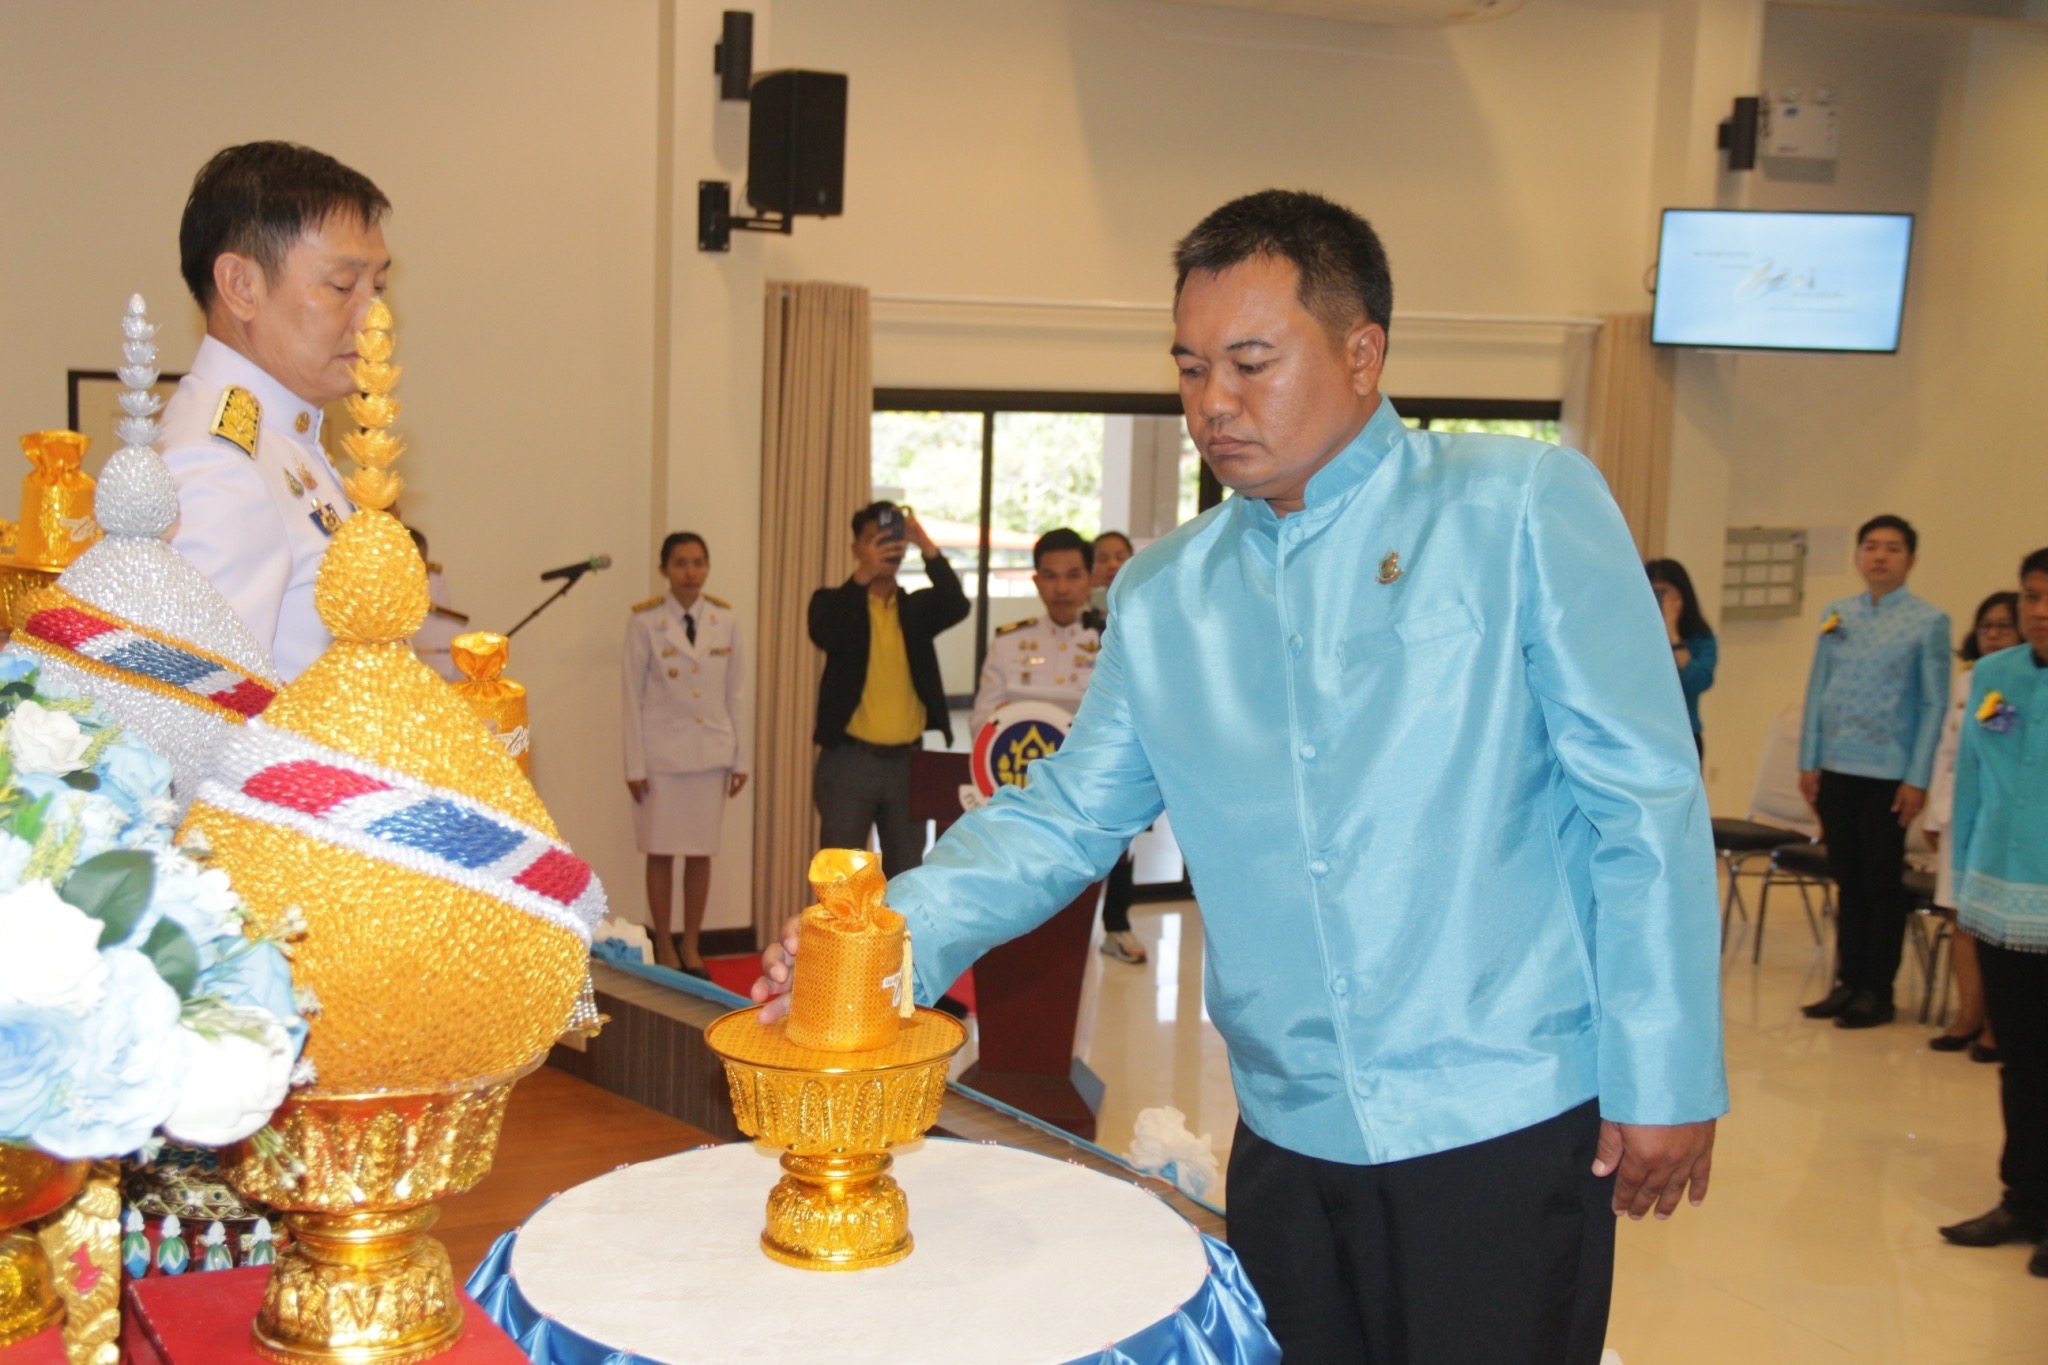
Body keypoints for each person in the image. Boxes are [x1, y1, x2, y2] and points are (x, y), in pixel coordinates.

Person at [761, 190, 1725, 1363]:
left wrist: (1664, 1068)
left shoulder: (1513, 506)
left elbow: (1641, 799)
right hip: (1285, 1127)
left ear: (1361, 353)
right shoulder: (1169, 592)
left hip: (1501, 1116)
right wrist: (881, 940)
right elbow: (1064, 815)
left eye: (1250, 363)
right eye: (1188, 367)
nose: (1211, 402)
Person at [159, 141, 389, 680]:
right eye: (342, 286)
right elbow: (206, 710)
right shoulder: (217, 467)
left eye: (379, 287)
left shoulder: (284, 439)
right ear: (241, 286)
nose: (375, 318)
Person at [1938, 548, 2048, 1280]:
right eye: (2032, 595)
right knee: (2022, 1062)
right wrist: (1965, 884)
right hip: (2001, 896)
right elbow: (1973, 779)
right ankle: (2023, 1200)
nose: (2040, 610)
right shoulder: (1995, 674)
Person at [1797, 515, 1952, 1029]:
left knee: (1880, 883)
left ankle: (1877, 991)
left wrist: (1917, 777)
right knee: (1847, 878)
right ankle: (1847, 982)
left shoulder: (1929, 622)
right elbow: (1818, 688)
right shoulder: (1837, 613)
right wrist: (1809, 760)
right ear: (1859, 556)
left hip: (1889, 772)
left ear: (1911, 559)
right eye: (1871, 546)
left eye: (1893, 548)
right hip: (1835, 766)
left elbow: (1933, 704)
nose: (1880, 556)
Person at [972, 529, 1145, 966]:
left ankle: (1116, 925)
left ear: (1091, 579)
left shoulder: (1113, 641)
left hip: (1094, 788)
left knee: (1113, 859)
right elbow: (983, 721)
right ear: (1036, 581)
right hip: (1024, 790)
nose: (1062, 588)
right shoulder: (1009, 643)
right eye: (1050, 576)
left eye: (1073, 576)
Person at [808, 502, 969, 876]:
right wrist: (863, 576)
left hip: (909, 764)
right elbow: (824, 631)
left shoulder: (916, 609)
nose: (886, 547)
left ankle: (899, 924)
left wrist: (925, 545)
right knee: (842, 879)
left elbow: (956, 604)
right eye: (874, 540)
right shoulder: (836, 603)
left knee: (907, 875)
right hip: (849, 762)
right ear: (856, 549)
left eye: (893, 539)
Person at [623, 532, 748, 977]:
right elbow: (631, 698)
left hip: (711, 754)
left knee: (700, 854)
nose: (690, 572)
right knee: (660, 853)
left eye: (698, 562)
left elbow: (736, 694)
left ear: (707, 567)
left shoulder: (724, 619)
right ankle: (664, 943)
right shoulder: (645, 622)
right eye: (680, 563)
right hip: (661, 759)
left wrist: (741, 759)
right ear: (664, 569)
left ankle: (692, 945)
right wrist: (634, 765)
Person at [1924, 591, 2021, 1057]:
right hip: (1958, 815)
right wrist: (1935, 813)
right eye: (1986, 626)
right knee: (1960, 917)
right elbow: (1948, 751)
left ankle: (1997, 1027)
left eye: (2004, 626)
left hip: (2003, 818)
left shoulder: (2020, 683)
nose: (1994, 635)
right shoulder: (1969, 680)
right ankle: (1968, 1016)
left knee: (1996, 924)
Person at [1090, 529, 1148, 965]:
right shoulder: (1079, 621)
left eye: (1120, 556)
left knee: (1124, 844)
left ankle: (1117, 925)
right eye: (1103, 558)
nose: (1112, 565)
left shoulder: (1142, 610)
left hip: (1123, 750)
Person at [1646, 559, 1717, 758]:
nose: (1660, 601)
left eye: (1664, 594)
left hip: (1685, 736)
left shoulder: (1700, 638)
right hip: (1645, 733)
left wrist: (1673, 636)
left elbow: (1700, 681)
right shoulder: (1637, 636)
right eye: (1654, 593)